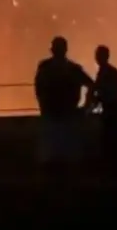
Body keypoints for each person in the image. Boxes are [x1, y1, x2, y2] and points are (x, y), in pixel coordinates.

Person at [34, 36, 94, 167]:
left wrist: (42, 104)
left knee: (53, 158)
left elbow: (38, 88)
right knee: (67, 158)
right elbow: (91, 84)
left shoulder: (45, 67)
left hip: (53, 115)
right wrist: (86, 107)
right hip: (66, 116)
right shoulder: (72, 68)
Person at [93, 45, 117, 172]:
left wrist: (96, 100)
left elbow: (109, 92)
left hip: (112, 111)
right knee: (113, 142)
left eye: (98, 55)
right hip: (113, 111)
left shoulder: (106, 72)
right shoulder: (109, 71)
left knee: (111, 141)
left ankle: (113, 170)